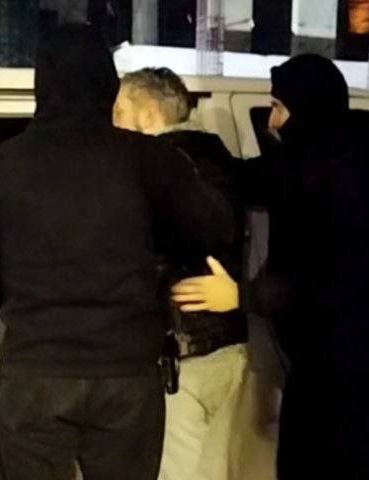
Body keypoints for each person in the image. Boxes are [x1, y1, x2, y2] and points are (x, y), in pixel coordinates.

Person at [0, 24, 234, 480]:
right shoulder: (152, 159)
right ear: (108, 85)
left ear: (41, 85)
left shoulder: (1, 167)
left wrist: (6, 298)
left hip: (36, 374)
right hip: (128, 377)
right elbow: (213, 232)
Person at [172, 54, 369, 479]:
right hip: (321, 365)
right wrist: (177, 139)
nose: (272, 122)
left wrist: (240, 295)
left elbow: (336, 283)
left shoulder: (358, 178)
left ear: (309, 108)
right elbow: (247, 179)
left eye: (279, 108)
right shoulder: (314, 162)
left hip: (348, 372)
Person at [114, 67, 248, 480]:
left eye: (119, 112)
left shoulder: (153, 169)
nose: (112, 124)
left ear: (148, 115)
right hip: (233, 349)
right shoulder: (221, 162)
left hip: (181, 361)